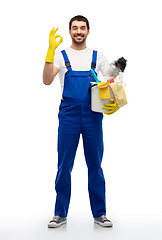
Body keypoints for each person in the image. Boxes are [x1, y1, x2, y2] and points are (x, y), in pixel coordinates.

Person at [43, 15, 117, 228]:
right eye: (75, 28)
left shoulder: (98, 56)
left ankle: (100, 214)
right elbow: (47, 80)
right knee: (64, 166)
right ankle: (60, 213)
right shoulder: (60, 54)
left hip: (93, 116)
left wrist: (113, 101)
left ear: (88, 31)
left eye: (82, 28)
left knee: (95, 165)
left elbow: (113, 82)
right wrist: (49, 53)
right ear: (70, 31)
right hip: (69, 116)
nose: (78, 31)